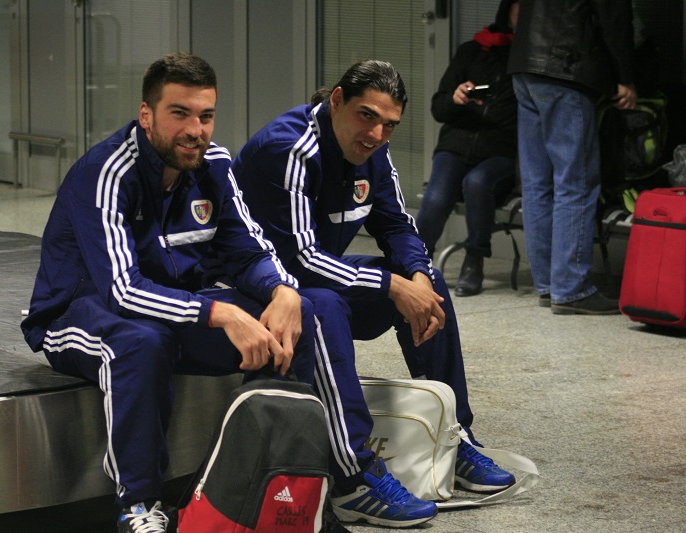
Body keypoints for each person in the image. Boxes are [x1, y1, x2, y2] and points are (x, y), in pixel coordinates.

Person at [20, 53, 318, 533]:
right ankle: (139, 506)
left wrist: (282, 289)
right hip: (77, 314)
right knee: (143, 342)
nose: (195, 130)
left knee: (292, 317)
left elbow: (249, 249)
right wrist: (221, 314)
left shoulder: (214, 165)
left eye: (206, 116)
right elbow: (122, 291)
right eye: (180, 113)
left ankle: (267, 488)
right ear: (147, 115)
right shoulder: (106, 172)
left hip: (172, 307)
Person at [230, 59, 515, 528]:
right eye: (367, 116)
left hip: (315, 279)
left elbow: (396, 224)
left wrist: (417, 275)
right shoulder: (289, 148)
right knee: (324, 305)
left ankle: (454, 435)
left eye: (389, 124)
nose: (377, 134)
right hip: (260, 291)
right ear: (337, 100)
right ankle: (354, 480)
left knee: (428, 284)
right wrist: (392, 285)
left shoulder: (372, 148)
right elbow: (299, 260)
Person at [507, 0, 637, 314]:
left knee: (536, 185)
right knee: (575, 182)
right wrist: (626, 76)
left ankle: (548, 285)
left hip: (525, 65)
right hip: (565, 67)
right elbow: (614, 19)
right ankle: (571, 288)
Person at [416, 0, 520, 297]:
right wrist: (456, 98)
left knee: (477, 183)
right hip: (456, 145)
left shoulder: (529, 59)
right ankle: (415, 262)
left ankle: (475, 261)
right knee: (436, 198)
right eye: (518, 9)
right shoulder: (471, 51)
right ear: (507, 12)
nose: (523, 16)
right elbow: (439, 107)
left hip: (500, 151)